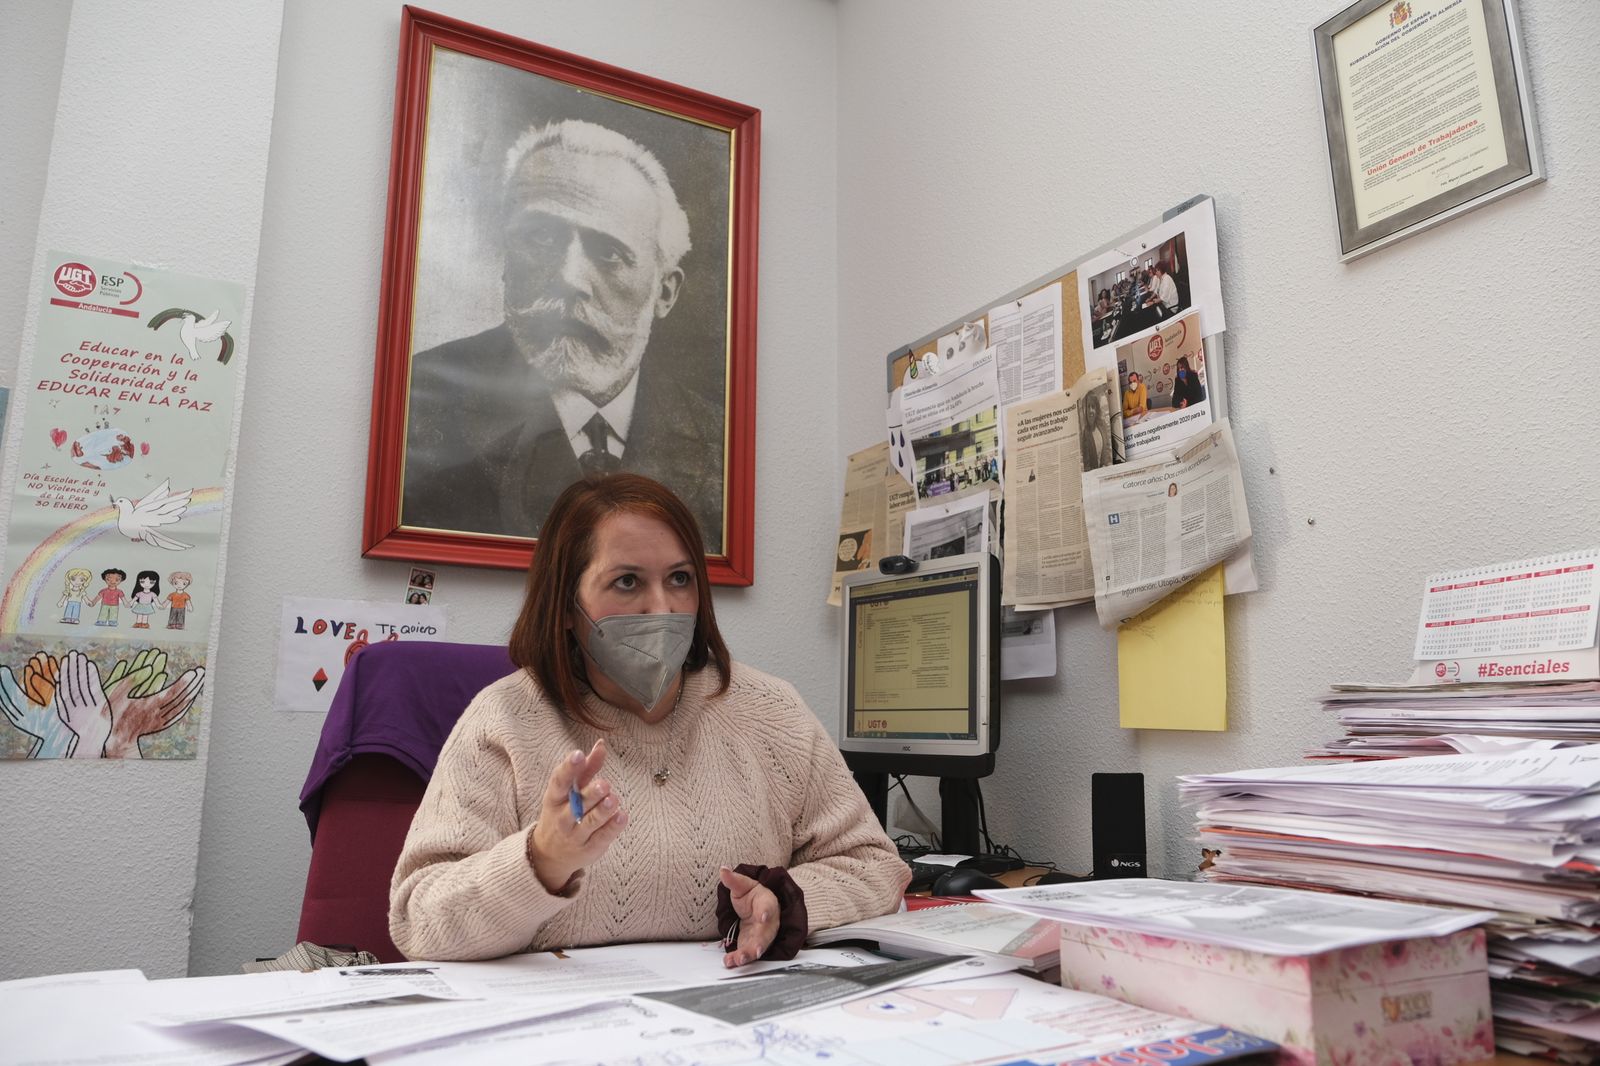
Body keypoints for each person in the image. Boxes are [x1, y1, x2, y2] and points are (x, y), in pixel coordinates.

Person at [389, 473, 909, 964]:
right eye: (627, 582)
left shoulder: (772, 711)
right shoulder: (504, 719)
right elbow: (418, 919)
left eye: (680, 578)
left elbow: (875, 866)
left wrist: (786, 902)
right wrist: (542, 860)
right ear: (568, 607)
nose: (661, 607)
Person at [403, 120, 725, 551]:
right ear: (506, 258)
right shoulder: (419, 399)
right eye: (540, 237)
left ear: (664, 292)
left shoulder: (717, 441)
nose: (569, 278)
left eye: (608, 252)